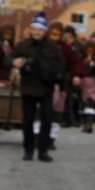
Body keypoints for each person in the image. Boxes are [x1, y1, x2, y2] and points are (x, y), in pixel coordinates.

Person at [13, 11, 65, 162]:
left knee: (47, 119)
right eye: (35, 29)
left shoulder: (52, 47)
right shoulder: (23, 45)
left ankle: (43, 151)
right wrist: (14, 62)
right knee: (27, 120)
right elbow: (10, 57)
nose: (37, 32)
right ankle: (28, 150)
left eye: (40, 30)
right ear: (31, 30)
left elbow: (61, 67)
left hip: (46, 88)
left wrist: (63, 88)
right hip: (28, 88)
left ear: (45, 31)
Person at [77, 40, 95, 133]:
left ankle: (89, 123)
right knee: (83, 104)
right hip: (83, 83)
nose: (90, 51)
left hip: (94, 82)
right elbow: (77, 68)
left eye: (92, 50)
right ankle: (85, 123)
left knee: (91, 102)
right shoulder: (81, 57)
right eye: (88, 49)